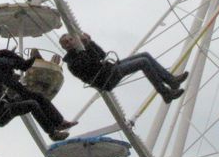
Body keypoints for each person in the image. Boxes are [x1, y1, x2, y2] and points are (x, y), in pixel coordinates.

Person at [60, 32, 188, 104]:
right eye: (66, 42)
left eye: (71, 39)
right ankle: (165, 93)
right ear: (64, 47)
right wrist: (84, 48)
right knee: (142, 62)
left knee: (145, 55)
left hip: (109, 69)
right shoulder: (71, 62)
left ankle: (172, 81)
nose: (70, 42)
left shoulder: (82, 50)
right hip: (105, 78)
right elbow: (91, 65)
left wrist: (90, 43)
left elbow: (102, 55)